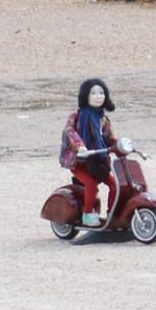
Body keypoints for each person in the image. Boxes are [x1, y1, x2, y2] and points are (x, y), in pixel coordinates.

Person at [59, 78, 121, 226]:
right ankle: (87, 214)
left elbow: (108, 137)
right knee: (91, 184)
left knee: (115, 185)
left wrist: (120, 145)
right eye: (94, 93)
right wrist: (80, 147)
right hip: (80, 162)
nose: (98, 96)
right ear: (86, 95)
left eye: (101, 93)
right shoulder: (79, 116)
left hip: (98, 160)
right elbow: (71, 132)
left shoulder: (102, 118)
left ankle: (113, 214)